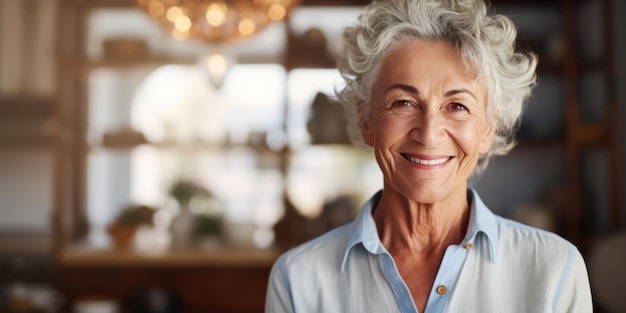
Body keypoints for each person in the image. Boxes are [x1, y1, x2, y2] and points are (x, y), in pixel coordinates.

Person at [265, 0, 593, 312]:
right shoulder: (297, 279)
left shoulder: (554, 268)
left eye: (457, 106)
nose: (429, 133)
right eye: (403, 103)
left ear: (488, 130)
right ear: (366, 120)